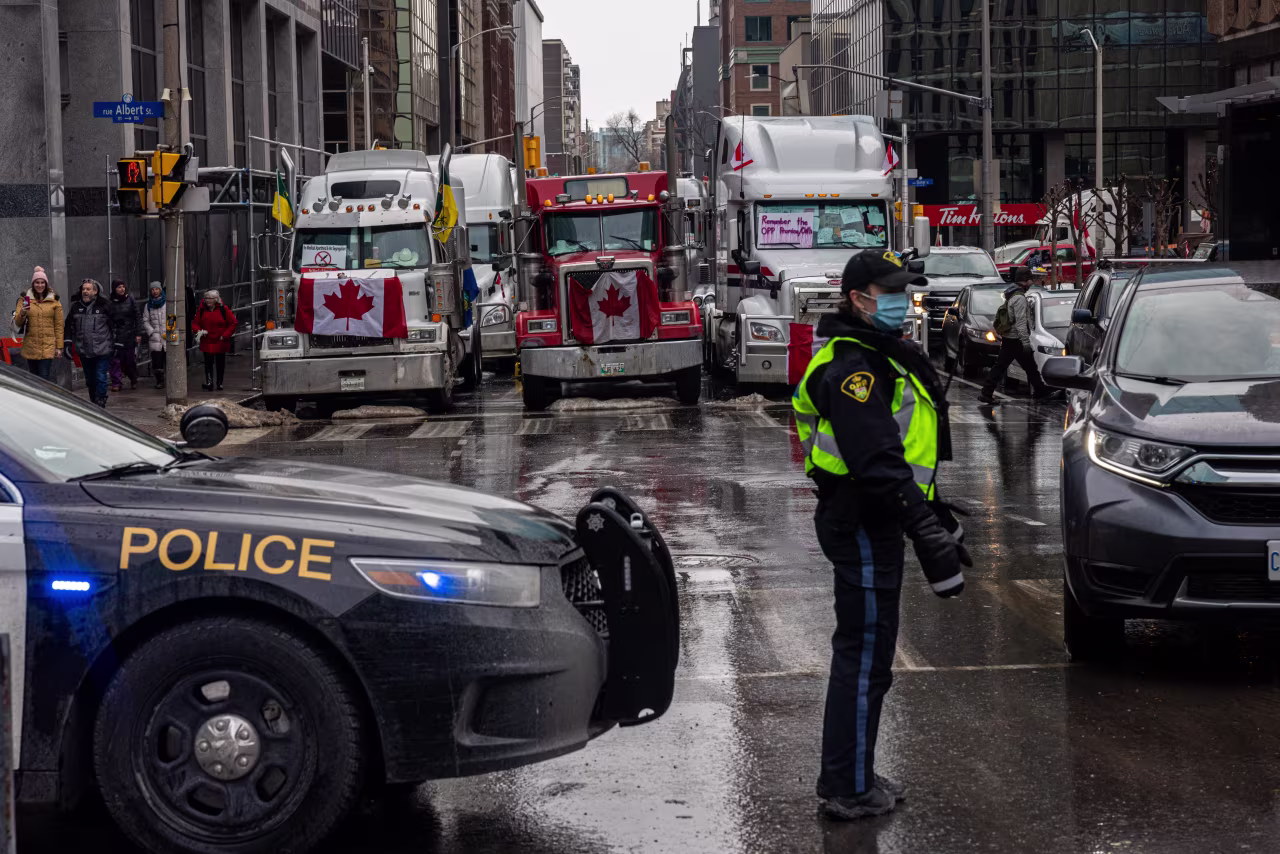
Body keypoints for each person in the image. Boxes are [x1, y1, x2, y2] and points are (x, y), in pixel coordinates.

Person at [793, 249, 970, 821]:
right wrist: (922, 527)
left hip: (875, 518)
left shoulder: (878, 354)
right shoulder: (854, 369)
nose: (900, 302)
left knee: (870, 657)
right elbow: (875, 461)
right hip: (862, 521)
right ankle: (846, 785)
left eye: (903, 292)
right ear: (858, 299)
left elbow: (904, 452)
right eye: (889, 293)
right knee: (865, 657)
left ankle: (855, 773)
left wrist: (930, 512)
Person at [978, 278, 1060, 404]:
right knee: (1011, 366)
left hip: (1010, 338)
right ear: (1024, 280)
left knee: (1026, 366)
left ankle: (1040, 391)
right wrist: (1025, 342)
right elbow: (1020, 322)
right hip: (1015, 339)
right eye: (1030, 280)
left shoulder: (1012, 295)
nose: (1031, 283)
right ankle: (987, 392)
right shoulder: (1019, 298)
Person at [64, 279, 114, 407]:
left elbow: (115, 325)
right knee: (90, 380)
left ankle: (101, 401)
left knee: (100, 377)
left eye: (88, 289)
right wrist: (68, 343)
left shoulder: (105, 305)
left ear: (95, 291)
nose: (85, 291)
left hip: (102, 349)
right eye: (83, 289)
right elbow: (69, 326)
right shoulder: (75, 307)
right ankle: (94, 401)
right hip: (84, 350)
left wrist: (116, 344)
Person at [12, 266, 63, 380]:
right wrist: (23, 312)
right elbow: (18, 323)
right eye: (37, 282)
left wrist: (59, 347)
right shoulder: (25, 298)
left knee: (44, 378)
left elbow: (59, 325)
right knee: (34, 379)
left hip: (48, 345)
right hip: (31, 345)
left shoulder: (54, 300)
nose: (40, 285)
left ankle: (44, 397)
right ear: (33, 283)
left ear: (46, 284)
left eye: (42, 282)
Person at [191, 289, 237, 391]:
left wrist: (225, 335)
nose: (208, 301)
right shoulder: (201, 310)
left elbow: (233, 323)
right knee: (208, 362)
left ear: (216, 299)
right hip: (207, 340)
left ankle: (219, 383)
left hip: (220, 341)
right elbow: (195, 323)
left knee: (220, 363)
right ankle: (209, 382)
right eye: (206, 298)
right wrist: (199, 331)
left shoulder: (223, 309)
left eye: (210, 298)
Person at [106, 279, 141, 391]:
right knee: (115, 360)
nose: (121, 289)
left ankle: (133, 378)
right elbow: (108, 318)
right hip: (115, 335)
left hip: (129, 334)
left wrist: (138, 333)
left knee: (129, 359)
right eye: (118, 287)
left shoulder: (130, 300)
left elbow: (137, 317)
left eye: (123, 286)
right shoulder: (110, 302)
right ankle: (116, 383)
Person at [141, 281, 167, 389]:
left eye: (156, 289)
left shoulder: (167, 303)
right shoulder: (148, 306)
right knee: (157, 361)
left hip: (167, 335)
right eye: (152, 290)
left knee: (169, 359)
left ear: (160, 290)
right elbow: (145, 320)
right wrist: (151, 331)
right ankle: (160, 380)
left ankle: (170, 379)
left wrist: (170, 330)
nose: (155, 291)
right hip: (155, 337)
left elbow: (172, 316)